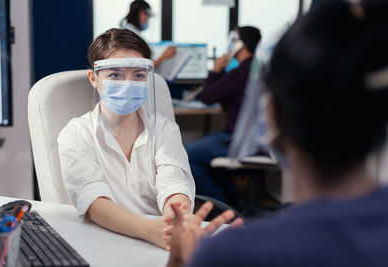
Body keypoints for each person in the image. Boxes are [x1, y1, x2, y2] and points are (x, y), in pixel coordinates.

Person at [166, 0, 388, 265]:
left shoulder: (230, 254)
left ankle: (225, 202)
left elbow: (209, 96)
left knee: (192, 155)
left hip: (228, 141)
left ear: (271, 113)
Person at [57, 28, 195, 249]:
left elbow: (174, 184)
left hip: (160, 241)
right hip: (102, 243)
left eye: (138, 75)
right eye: (115, 75)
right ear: (94, 78)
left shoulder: (165, 130)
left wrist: (175, 218)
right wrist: (151, 231)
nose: (128, 83)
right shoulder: (75, 134)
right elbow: (93, 201)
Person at [185, 26, 261, 202]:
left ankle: (220, 205)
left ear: (239, 45)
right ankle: (234, 200)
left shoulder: (241, 72)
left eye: (232, 41)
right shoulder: (259, 69)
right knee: (210, 162)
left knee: (185, 156)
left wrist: (215, 70)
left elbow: (206, 97)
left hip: (235, 140)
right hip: (258, 140)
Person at [119, 0, 176, 68]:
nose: (147, 19)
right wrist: (164, 56)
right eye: (146, 15)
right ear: (139, 13)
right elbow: (141, 68)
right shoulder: (130, 35)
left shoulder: (132, 33)